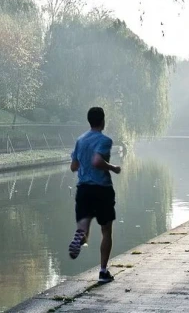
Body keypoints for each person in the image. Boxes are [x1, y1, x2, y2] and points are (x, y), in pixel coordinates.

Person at [69, 107, 121, 284]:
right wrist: (113, 168)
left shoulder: (80, 140)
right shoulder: (105, 140)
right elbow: (97, 161)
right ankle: (103, 272)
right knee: (106, 231)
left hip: (83, 189)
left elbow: (73, 166)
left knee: (83, 229)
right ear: (102, 121)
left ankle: (79, 236)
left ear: (89, 120)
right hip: (102, 189)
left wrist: (84, 164)